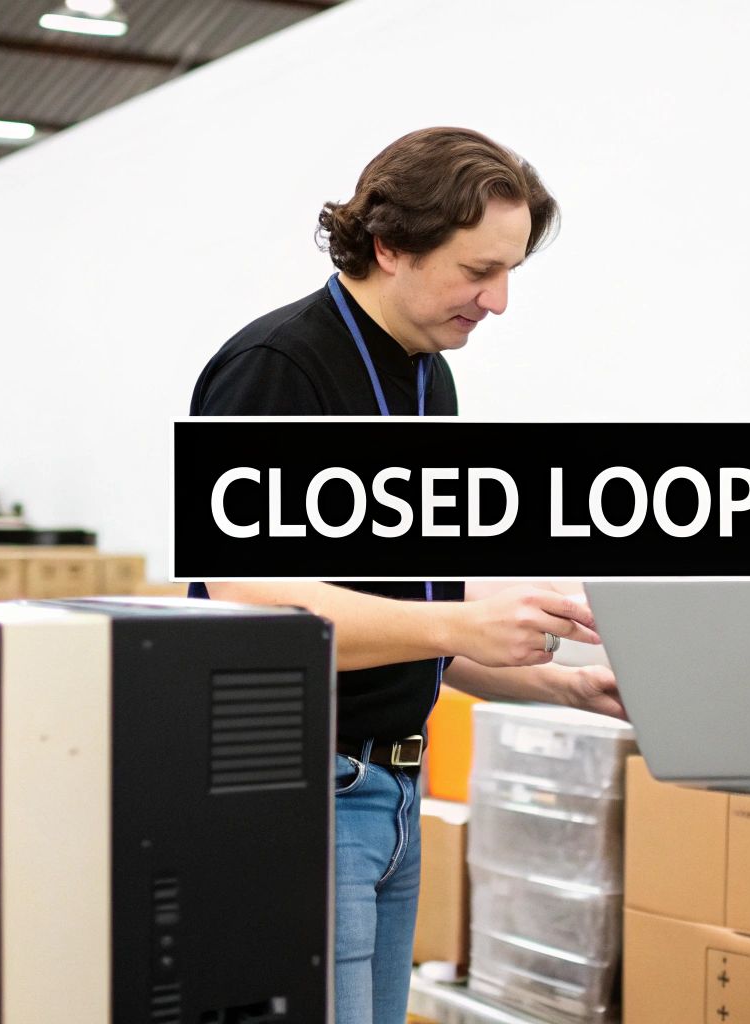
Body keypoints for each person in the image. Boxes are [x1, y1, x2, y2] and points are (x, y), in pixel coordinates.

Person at [187, 126, 623, 1024]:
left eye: (509, 273)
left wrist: (563, 687)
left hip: (389, 796)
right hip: (300, 794)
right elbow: (246, 598)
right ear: (389, 245)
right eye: (478, 271)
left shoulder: (429, 382)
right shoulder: (277, 371)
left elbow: (405, 622)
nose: (498, 301)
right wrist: (458, 626)